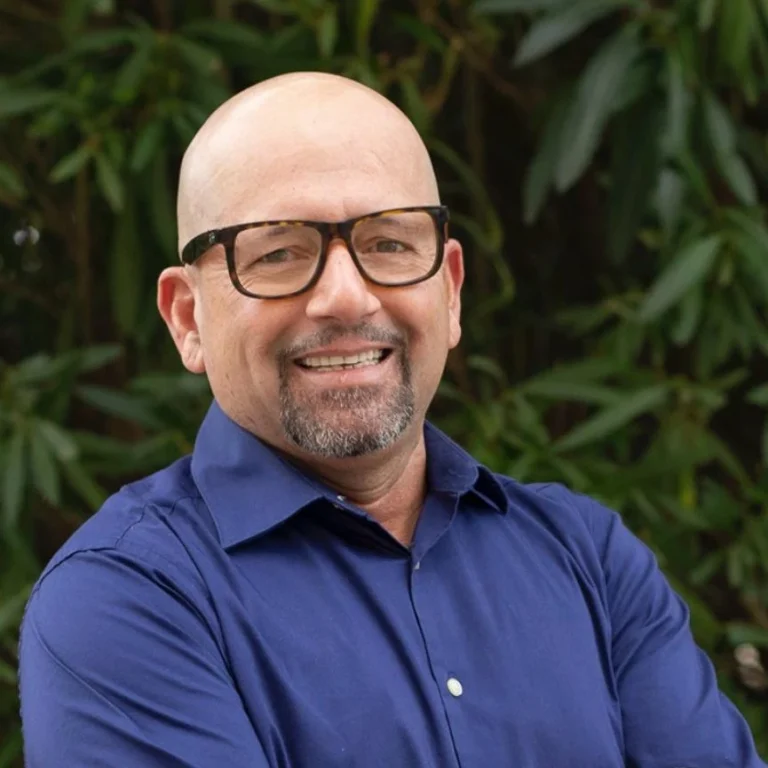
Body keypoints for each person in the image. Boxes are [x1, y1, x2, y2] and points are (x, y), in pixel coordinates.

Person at [18, 72, 766, 768]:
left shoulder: (589, 561)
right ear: (187, 318)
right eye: (279, 252)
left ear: (450, 292)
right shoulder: (127, 600)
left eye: (388, 243)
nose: (347, 296)